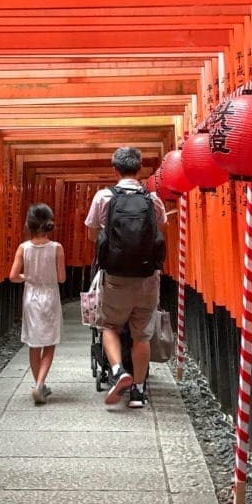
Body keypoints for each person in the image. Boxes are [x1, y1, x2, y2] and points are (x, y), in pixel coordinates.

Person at [84, 147, 167, 408]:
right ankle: (139, 393)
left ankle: (119, 370)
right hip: (147, 278)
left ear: (115, 169)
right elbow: (160, 229)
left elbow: (91, 234)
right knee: (141, 336)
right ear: (140, 168)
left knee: (109, 325)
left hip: (115, 276)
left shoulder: (103, 197)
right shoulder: (152, 199)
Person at [9, 203, 65, 404]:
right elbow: (61, 278)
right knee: (49, 343)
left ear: (29, 224)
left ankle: (38, 385)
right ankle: (40, 384)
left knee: (34, 344)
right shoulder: (56, 248)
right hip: (50, 295)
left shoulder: (23, 248)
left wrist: (28, 276)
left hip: (31, 296)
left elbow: (13, 276)